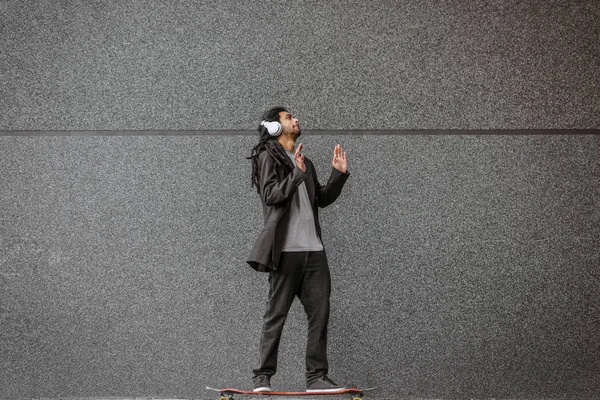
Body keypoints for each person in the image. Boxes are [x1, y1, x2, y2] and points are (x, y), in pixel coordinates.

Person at [246, 106, 350, 392]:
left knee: (320, 313)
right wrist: (296, 174)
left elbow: (322, 199)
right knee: (276, 314)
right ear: (274, 128)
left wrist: (338, 175)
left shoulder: (306, 161)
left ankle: (316, 376)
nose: (296, 119)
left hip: (314, 252)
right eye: (288, 117)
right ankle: (262, 376)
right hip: (285, 253)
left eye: (294, 117)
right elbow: (270, 195)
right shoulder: (268, 156)